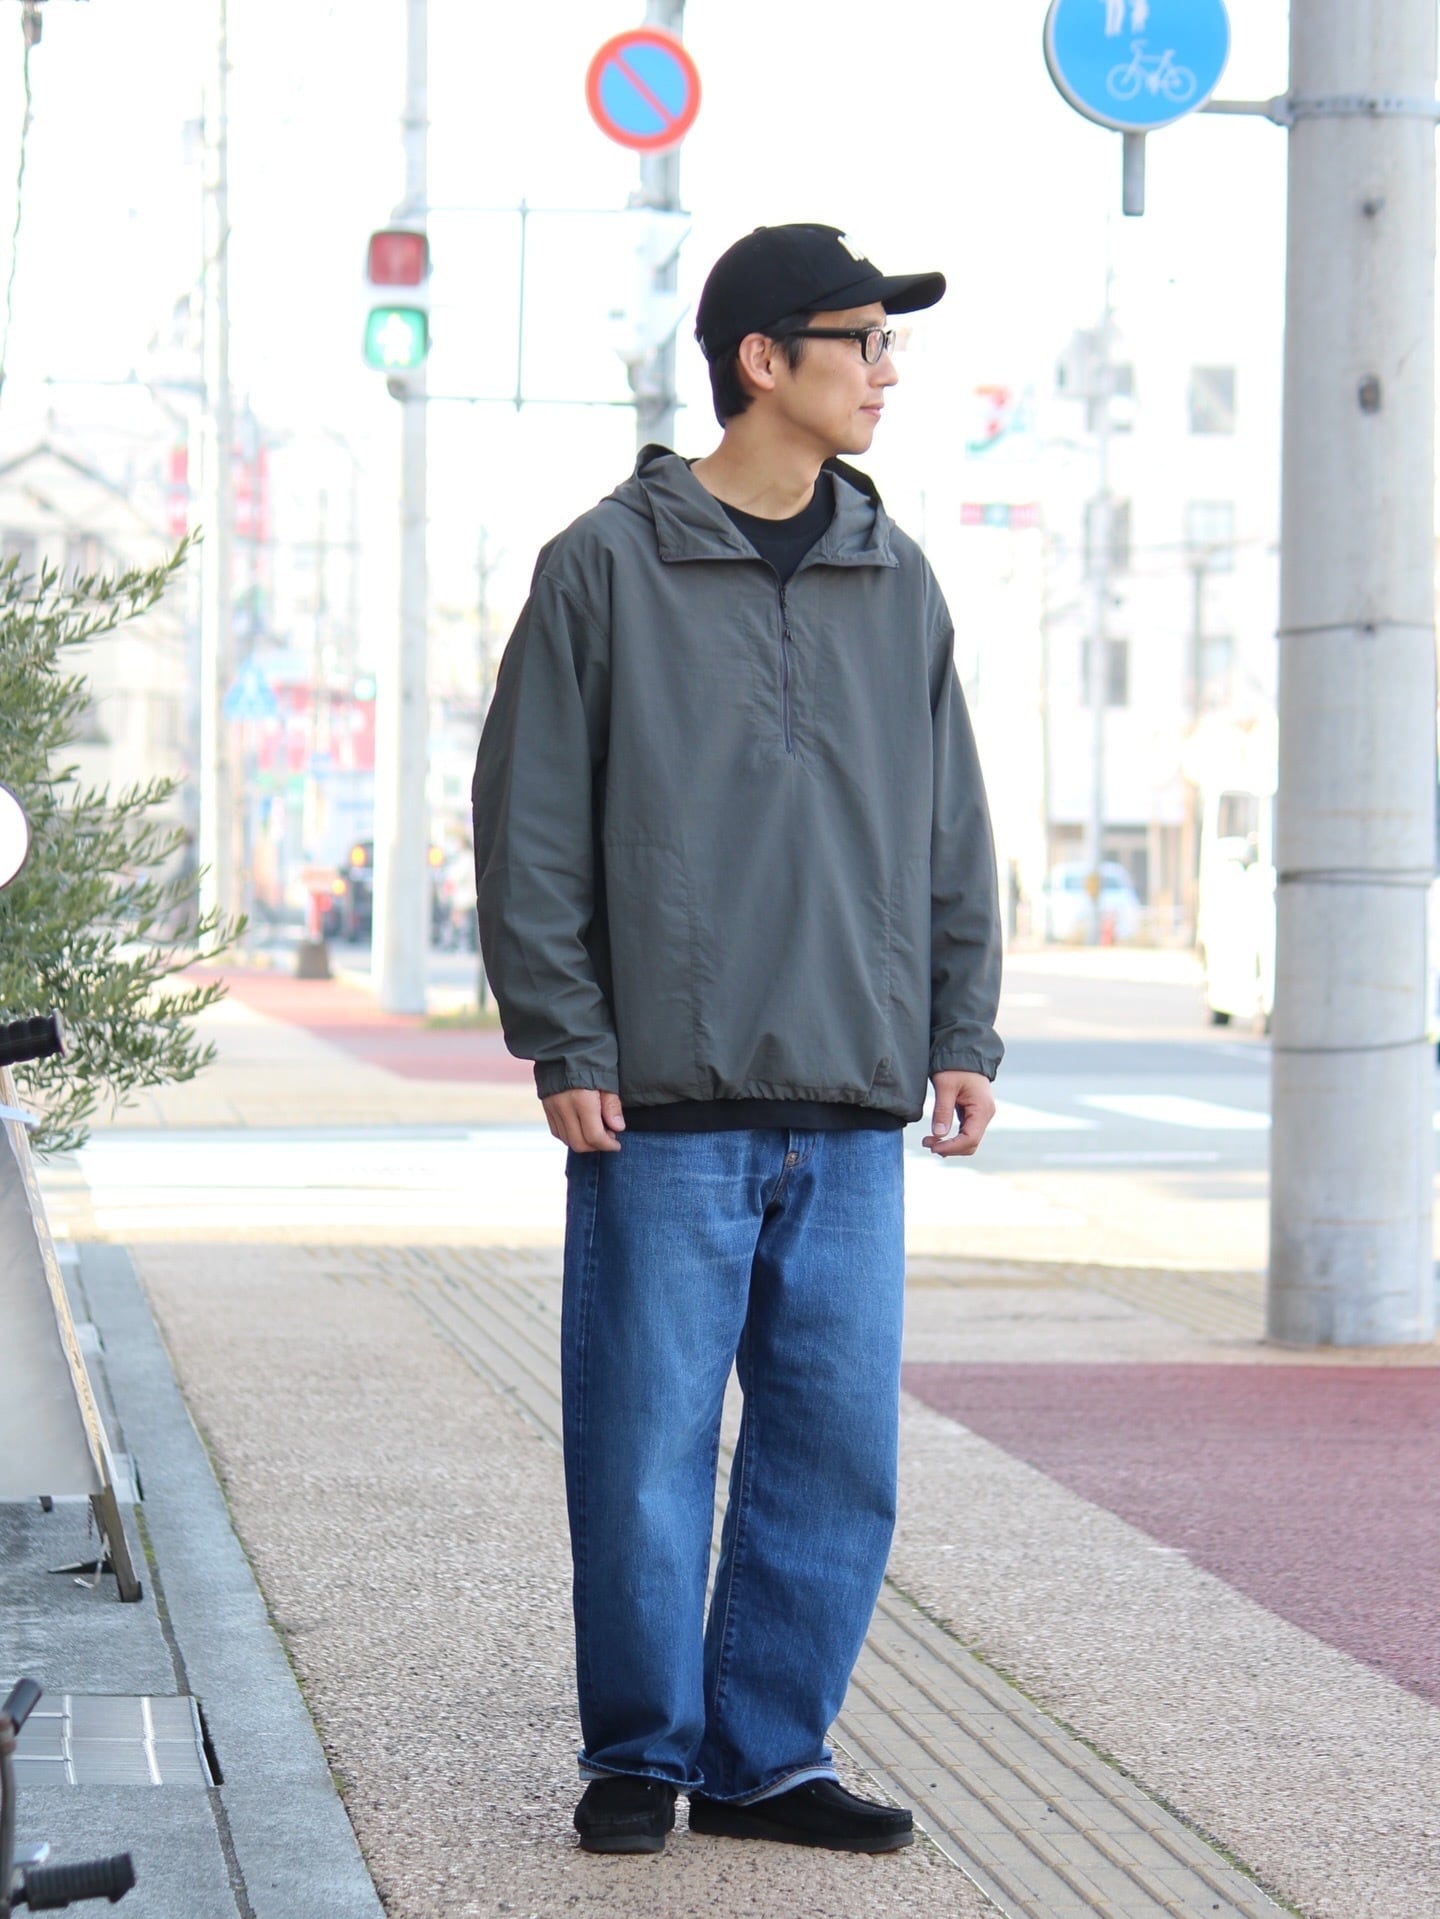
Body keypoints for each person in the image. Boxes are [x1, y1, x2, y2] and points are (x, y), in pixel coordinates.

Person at [472, 222, 1003, 1858]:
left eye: (892, 343)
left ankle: (768, 1758)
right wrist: (565, 1037)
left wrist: (962, 1027)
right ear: (764, 361)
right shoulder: (603, 567)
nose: (888, 371)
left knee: (833, 1453)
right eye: (864, 340)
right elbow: (530, 823)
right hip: (665, 1100)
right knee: (644, 1446)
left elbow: (951, 826)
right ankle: (642, 1750)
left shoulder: (897, 577)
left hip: (851, 1095)